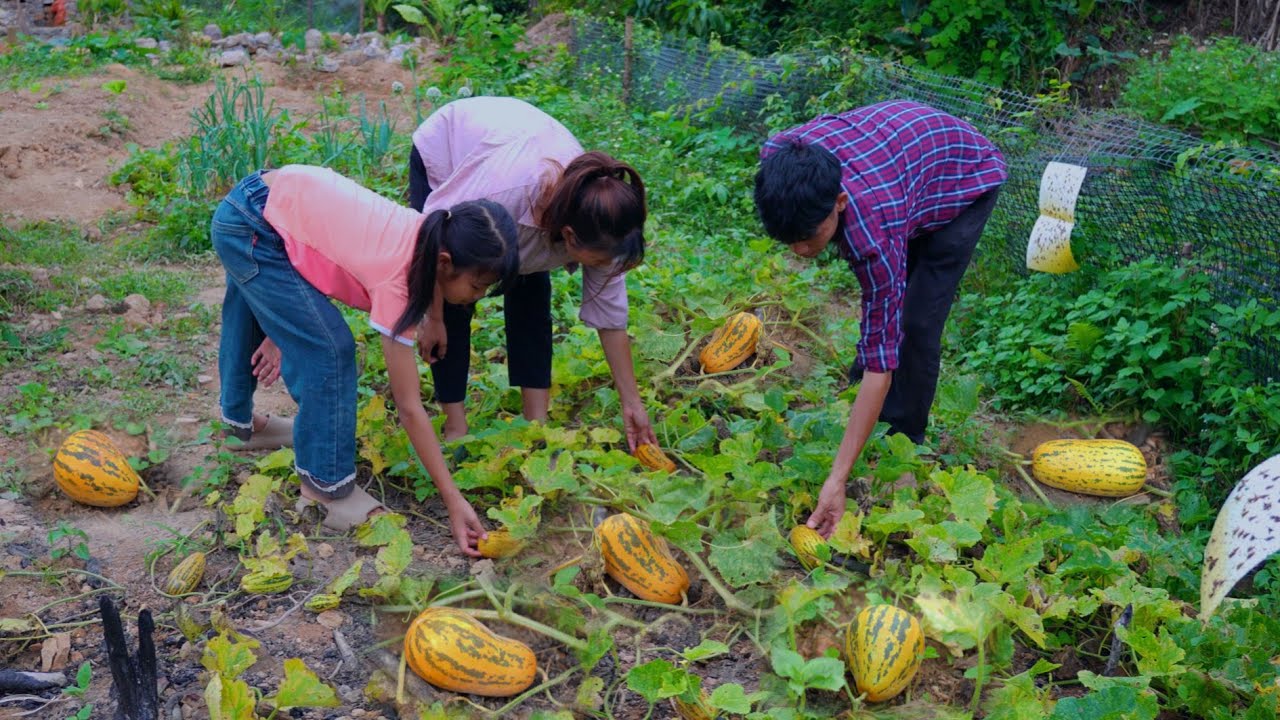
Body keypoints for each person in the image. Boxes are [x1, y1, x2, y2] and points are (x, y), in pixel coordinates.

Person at [211, 164, 519, 555]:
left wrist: (436, 317)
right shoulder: (401, 280)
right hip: (254, 224)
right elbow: (409, 407)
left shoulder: (428, 232)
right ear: (445, 262)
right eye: (476, 285)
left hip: (266, 200)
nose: (477, 296)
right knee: (330, 349)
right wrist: (453, 499)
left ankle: (243, 425)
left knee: (260, 311)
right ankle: (324, 488)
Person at [753, 100, 1008, 537]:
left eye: (808, 237)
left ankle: (902, 441)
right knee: (887, 304)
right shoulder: (779, 155)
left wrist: (837, 479)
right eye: (788, 240)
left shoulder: (875, 231)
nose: (799, 252)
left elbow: (881, 362)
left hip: (963, 174)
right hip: (900, 157)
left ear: (839, 201)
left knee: (916, 324)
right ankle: (867, 410)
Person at [407, 96, 658, 450]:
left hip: (521, 147)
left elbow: (611, 320)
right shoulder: (504, 191)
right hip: (450, 149)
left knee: (532, 293)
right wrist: (431, 315)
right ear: (569, 237)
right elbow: (431, 237)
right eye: (598, 262)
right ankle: (456, 426)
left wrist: (632, 403)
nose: (602, 270)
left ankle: (535, 424)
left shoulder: (602, 221)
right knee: (456, 297)